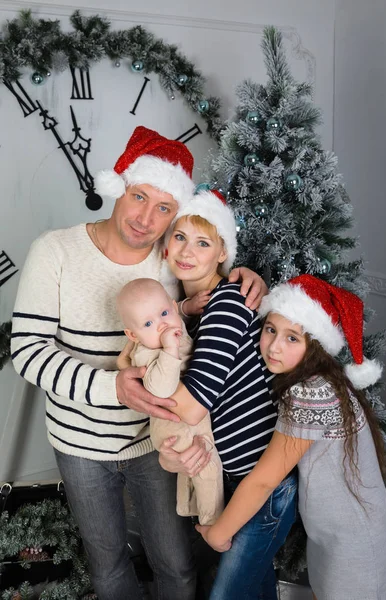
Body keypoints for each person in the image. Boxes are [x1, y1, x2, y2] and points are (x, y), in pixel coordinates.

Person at [11, 125, 267, 600]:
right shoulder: (55, 251)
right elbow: (27, 351)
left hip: (152, 443)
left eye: (164, 208)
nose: (146, 218)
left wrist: (243, 274)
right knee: (108, 565)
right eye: (139, 197)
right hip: (79, 442)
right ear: (118, 189)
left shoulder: (171, 262)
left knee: (176, 562)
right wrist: (113, 387)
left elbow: (209, 279)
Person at [196, 274, 386, 600]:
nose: (275, 346)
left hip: (356, 548)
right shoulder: (319, 380)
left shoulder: (311, 392)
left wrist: (218, 534)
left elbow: (264, 480)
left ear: (314, 345)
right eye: (271, 330)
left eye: (293, 338)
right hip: (335, 539)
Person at [158, 188, 298, 600]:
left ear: (222, 252)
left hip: (262, 484)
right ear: (166, 244)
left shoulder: (227, 304)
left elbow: (196, 401)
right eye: (180, 237)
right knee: (256, 588)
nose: (187, 251)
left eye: (203, 242)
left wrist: (134, 390)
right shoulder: (198, 307)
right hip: (237, 478)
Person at [116, 277, 224, 525]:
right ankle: (212, 522)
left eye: (165, 312)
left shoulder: (167, 329)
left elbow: (172, 318)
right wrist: (169, 349)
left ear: (173, 308)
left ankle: (187, 506)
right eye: (148, 323)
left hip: (182, 421)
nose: (162, 325)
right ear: (133, 335)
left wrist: (187, 308)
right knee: (207, 466)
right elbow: (160, 388)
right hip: (175, 425)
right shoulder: (148, 351)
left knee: (191, 469)